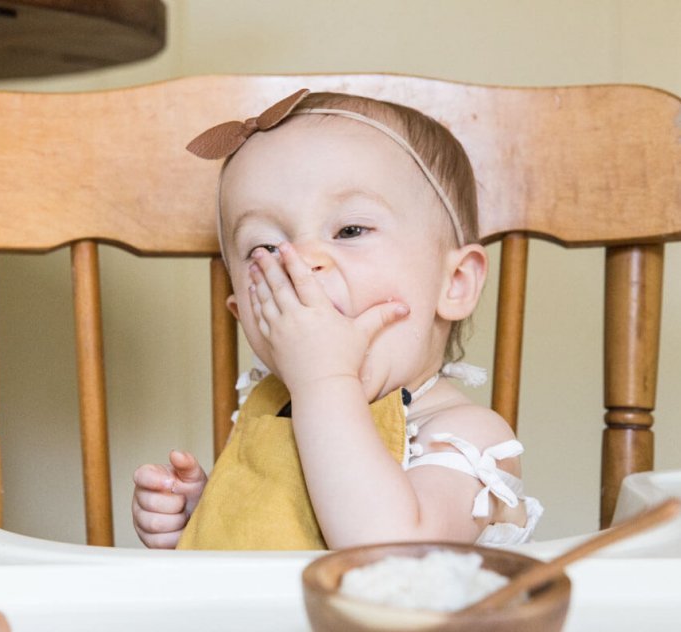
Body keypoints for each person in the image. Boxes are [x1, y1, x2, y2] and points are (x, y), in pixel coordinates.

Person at [131, 89, 542, 550]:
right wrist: (207, 516)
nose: (300, 262)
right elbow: (280, 546)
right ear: (243, 316)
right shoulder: (271, 412)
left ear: (456, 282)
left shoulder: (464, 435)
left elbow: (392, 556)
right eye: (264, 248)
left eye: (350, 230)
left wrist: (324, 379)